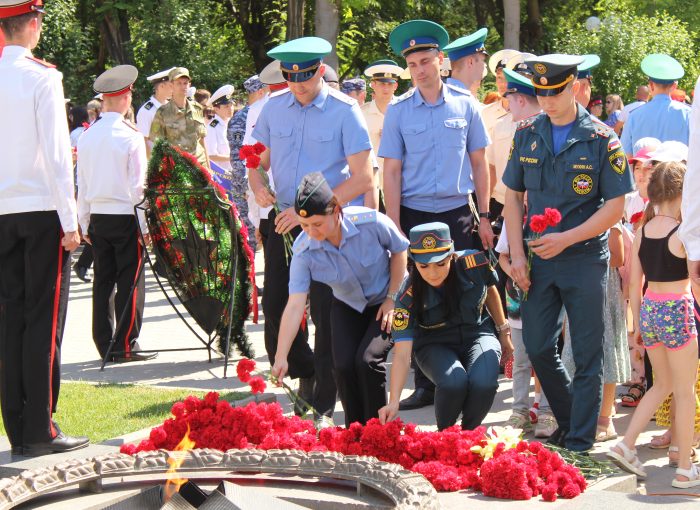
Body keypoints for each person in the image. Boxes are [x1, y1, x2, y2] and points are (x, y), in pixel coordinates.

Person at [502, 54, 634, 451]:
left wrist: (569, 237)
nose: (547, 101)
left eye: (555, 92)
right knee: (539, 345)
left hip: (584, 258)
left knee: (588, 352)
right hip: (539, 259)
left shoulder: (601, 138)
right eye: (540, 93)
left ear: (574, 87)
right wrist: (519, 257)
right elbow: (512, 196)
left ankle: (578, 438)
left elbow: (615, 208)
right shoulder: (526, 133)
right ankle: (570, 416)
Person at [250, 36, 373, 424]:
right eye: (291, 78)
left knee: (324, 313)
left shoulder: (344, 110)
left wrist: (311, 214)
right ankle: (304, 370)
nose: (299, 86)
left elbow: (363, 178)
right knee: (275, 307)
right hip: (282, 224)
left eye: (306, 77)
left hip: (327, 227)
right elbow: (256, 158)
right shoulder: (273, 108)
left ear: (321, 70)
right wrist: (256, 182)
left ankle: (321, 401)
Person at [379, 20, 492, 411]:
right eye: (413, 65)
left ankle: (470, 364)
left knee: (465, 284)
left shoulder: (466, 105)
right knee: (415, 294)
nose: (420, 70)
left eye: (426, 61)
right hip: (413, 213)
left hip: (458, 211)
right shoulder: (398, 111)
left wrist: (487, 214)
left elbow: (480, 164)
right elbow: (390, 170)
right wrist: (393, 222)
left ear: (441, 61)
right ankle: (424, 382)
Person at [0, 0, 89, 456]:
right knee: (43, 320)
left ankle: (17, 424)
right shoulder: (42, 76)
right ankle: (39, 428)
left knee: (11, 318)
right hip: (38, 211)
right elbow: (58, 154)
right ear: (33, 25)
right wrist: (70, 221)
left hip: (2, 212)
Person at [272, 173, 408, 427]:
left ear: (336, 210)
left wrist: (392, 298)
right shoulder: (304, 249)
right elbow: (294, 306)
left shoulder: (370, 222)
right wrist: (282, 356)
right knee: (343, 366)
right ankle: (356, 433)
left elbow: (400, 250)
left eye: (317, 224)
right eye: (305, 226)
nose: (311, 232)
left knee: (367, 361)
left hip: (386, 300)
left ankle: (379, 431)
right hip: (348, 304)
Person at [607, 161, 699, 488]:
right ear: (681, 192)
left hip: (651, 309)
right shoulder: (683, 233)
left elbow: (634, 283)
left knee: (661, 385)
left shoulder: (643, 230)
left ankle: (626, 443)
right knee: (685, 392)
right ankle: (686, 468)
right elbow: (696, 281)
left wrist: (637, 325)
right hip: (678, 309)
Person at [378, 222, 513, 430]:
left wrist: (504, 331)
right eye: (424, 266)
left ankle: (469, 435)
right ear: (414, 262)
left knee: (484, 382)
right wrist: (394, 400)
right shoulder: (407, 295)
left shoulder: (473, 262)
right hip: (434, 344)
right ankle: (446, 436)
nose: (433, 273)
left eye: (440, 263)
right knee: (453, 382)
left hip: (476, 333)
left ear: (451, 255)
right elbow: (402, 354)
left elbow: (489, 289)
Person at [76, 65, 155, 364]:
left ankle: (104, 343)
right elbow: (138, 188)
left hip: (98, 216)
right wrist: (145, 224)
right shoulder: (130, 136)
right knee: (131, 282)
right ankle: (124, 344)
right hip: (124, 216)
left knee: (103, 282)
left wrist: (83, 221)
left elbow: (81, 184)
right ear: (125, 97)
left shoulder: (87, 136)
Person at [621, 54, 690, 156]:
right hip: (678, 171)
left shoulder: (634, 116)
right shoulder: (688, 114)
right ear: (674, 86)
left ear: (651, 85)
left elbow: (626, 155)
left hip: (643, 171)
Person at [361, 59, 403, 207]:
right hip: (372, 187)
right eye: (382, 83)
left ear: (396, 86)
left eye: (390, 84)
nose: (386, 88)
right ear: (373, 85)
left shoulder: (406, 111)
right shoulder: (361, 114)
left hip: (402, 184)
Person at [150, 67, 210, 169]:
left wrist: (209, 170)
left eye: (185, 83)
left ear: (189, 85)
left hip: (200, 167)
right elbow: (157, 145)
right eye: (179, 83)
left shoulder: (197, 109)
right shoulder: (162, 113)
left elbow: (202, 141)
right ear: (171, 85)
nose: (183, 86)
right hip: (178, 170)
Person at [135, 67, 174, 156]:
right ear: (161, 87)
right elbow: (143, 141)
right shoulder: (147, 111)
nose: (174, 89)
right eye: (171, 86)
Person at [204, 84, 235, 171]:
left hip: (233, 171)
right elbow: (211, 155)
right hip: (222, 175)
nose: (231, 109)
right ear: (216, 109)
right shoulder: (212, 127)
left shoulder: (231, 123)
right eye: (226, 106)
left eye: (231, 105)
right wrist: (234, 158)